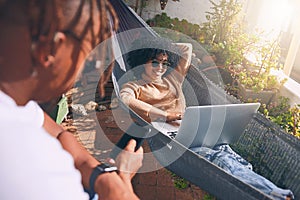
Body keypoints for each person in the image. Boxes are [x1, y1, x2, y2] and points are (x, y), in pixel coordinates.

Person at [0, 1, 143, 200]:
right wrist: (121, 185)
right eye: (88, 56)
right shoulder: (30, 164)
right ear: (51, 48)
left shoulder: (15, 105)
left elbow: (59, 133)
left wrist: (103, 178)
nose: (83, 73)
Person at [119, 37, 294, 200]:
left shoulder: (173, 79)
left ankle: (261, 192)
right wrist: (165, 115)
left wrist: (165, 48)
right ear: (141, 62)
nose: (160, 68)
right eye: (154, 62)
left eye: (165, 63)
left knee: (233, 159)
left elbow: (187, 48)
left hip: (199, 131)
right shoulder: (135, 87)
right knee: (221, 161)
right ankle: (275, 195)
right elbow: (125, 98)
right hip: (175, 142)